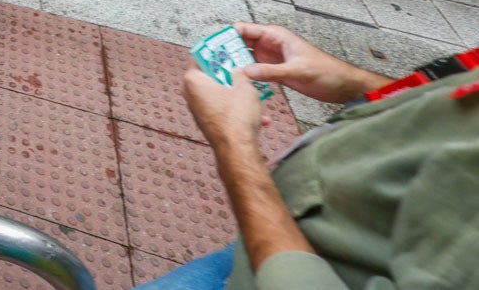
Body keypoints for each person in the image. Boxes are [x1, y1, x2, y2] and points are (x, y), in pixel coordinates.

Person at [144, 21, 479, 290]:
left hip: (295, 263)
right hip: (287, 235)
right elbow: (445, 105)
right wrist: (354, 83)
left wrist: (234, 145)